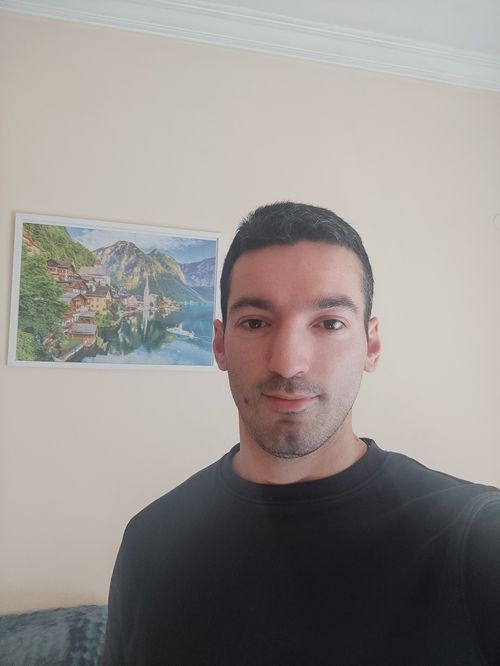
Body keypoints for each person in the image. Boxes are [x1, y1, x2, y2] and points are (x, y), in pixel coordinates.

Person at [103, 202, 500, 665]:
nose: (288, 363)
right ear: (219, 343)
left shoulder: (477, 541)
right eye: (255, 322)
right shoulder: (150, 542)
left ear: (371, 346)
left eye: (329, 323)